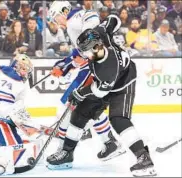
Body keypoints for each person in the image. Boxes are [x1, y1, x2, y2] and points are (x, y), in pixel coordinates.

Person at [47, 28, 157, 177]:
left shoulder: (106, 67)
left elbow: (100, 91)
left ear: (95, 47)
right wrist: (105, 25)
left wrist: (80, 92)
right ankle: (67, 153)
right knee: (80, 112)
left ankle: (144, 158)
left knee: (119, 119)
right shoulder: (101, 37)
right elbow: (114, 21)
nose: (84, 54)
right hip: (106, 81)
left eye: (85, 51)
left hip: (123, 82)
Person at [47, 1, 125, 162]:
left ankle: (63, 149)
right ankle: (110, 142)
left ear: (63, 11)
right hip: (99, 68)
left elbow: (92, 17)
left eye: (55, 17)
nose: (56, 23)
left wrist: (87, 34)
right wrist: (64, 66)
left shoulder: (74, 17)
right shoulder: (72, 24)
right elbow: (80, 54)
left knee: (65, 108)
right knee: (89, 108)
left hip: (94, 69)